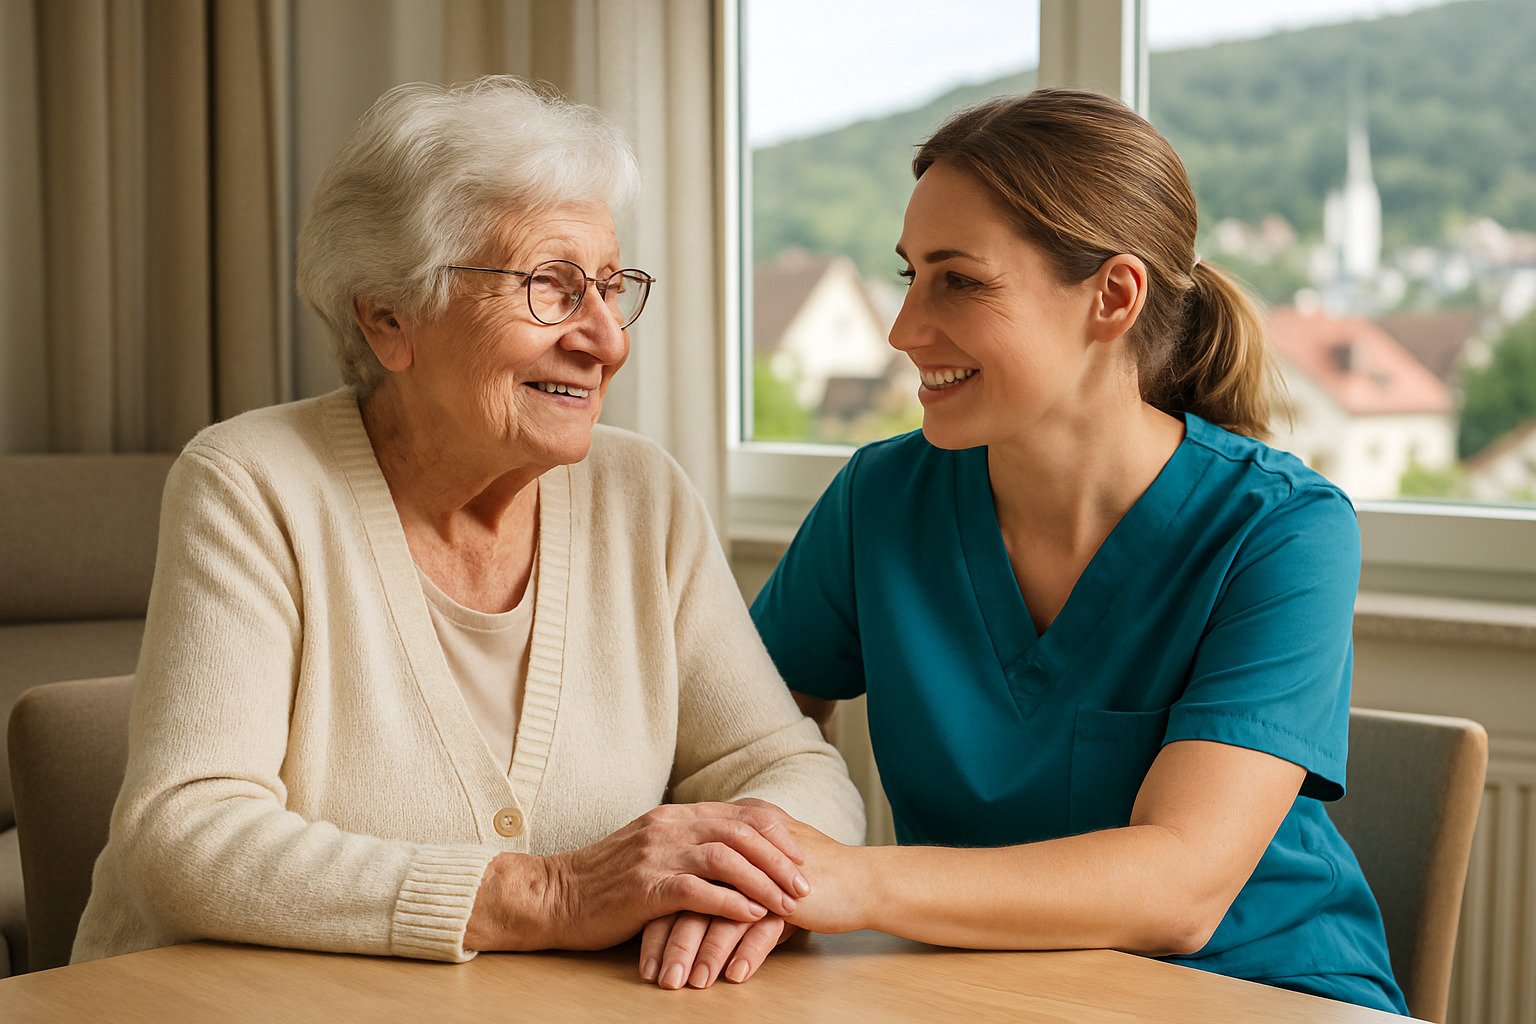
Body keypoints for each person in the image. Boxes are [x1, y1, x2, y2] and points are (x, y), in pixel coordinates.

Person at [71, 76, 863, 983]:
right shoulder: (251, 484)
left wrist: (738, 885)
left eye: (611, 289)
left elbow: (787, 765)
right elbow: (184, 833)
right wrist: (548, 896)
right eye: (551, 287)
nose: (607, 339)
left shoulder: (642, 494)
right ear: (389, 318)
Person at [732, 89, 1404, 1013]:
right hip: (981, 989)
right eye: (909, 275)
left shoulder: (1282, 530)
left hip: (1261, 990)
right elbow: (737, 739)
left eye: (959, 281)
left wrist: (851, 880)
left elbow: (1180, 888)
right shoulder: (879, 501)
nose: (903, 329)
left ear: (1113, 296)